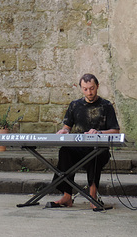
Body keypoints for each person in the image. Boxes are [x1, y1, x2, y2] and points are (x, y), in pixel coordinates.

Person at [47, 73, 120, 209]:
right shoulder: (75, 105)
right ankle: (67, 196)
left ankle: (93, 197)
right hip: (79, 148)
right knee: (65, 151)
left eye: (92, 88)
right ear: (81, 88)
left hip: (99, 149)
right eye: (85, 89)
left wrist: (98, 133)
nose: (89, 92)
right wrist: (64, 131)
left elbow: (115, 131)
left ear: (97, 86)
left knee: (94, 154)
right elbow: (67, 127)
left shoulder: (106, 106)